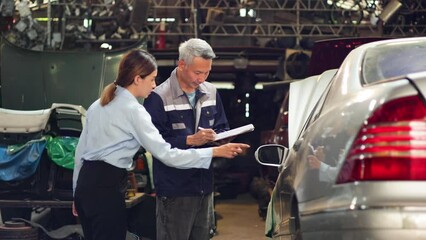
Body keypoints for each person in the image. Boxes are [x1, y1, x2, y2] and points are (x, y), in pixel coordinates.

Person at [71, 49, 250, 240]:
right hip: (106, 188)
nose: (154, 85)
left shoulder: (98, 104)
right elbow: (167, 155)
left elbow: (80, 153)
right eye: (152, 79)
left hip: (86, 187)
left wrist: (76, 193)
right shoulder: (134, 111)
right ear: (137, 79)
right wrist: (214, 152)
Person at [143, 38, 231, 240]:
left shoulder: (211, 92)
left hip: (204, 186)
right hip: (175, 190)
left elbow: (221, 126)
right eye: (197, 72)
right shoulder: (158, 97)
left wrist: (223, 140)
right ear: (181, 64)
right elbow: (156, 144)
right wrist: (190, 140)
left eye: (207, 72)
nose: (202, 78)